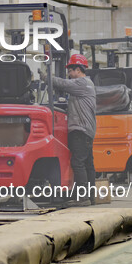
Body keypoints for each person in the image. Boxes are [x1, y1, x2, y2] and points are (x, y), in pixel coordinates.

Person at [41, 54, 96, 204]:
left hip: (80, 130)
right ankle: (90, 196)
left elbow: (63, 84)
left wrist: (46, 77)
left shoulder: (82, 83)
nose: (69, 74)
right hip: (87, 130)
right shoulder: (87, 84)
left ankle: (83, 197)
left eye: (70, 71)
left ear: (78, 69)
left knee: (78, 163)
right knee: (88, 164)